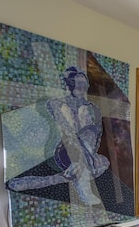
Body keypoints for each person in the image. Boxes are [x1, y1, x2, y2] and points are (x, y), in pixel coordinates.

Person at [7, 66, 109, 205]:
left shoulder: (93, 109)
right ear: (69, 84)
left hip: (86, 153)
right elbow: (67, 131)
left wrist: (88, 156)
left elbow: (96, 136)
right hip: (63, 149)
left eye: (84, 83)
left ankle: (59, 178)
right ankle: (83, 184)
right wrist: (84, 156)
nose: (81, 87)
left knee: (103, 160)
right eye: (77, 83)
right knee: (84, 145)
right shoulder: (56, 103)